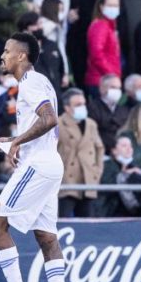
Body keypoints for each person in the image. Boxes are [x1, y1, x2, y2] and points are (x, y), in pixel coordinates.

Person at [0, 32, 70, 282]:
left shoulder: (30, 83)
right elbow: (44, 123)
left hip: (37, 165)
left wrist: (17, 142)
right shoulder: (41, 81)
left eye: (7, 50)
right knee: (46, 236)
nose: (3, 55)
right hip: (49, 162)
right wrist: (15, 139)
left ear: (21, 56)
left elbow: (49, 120)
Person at [57, 88, 104, 218]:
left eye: (83, 104)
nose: (82, 107)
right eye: (78, 105)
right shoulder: (58, 124)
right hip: (66, 181)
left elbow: (99, 148)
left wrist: (97, 170)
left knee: (88, 223)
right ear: (67, 107)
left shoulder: (91, 124)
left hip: (88, 179)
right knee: (63, 221)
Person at [86, 0, 122, 95]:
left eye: (116, 5)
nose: (114, 8)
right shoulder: (100, 26)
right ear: (101, 7)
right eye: (110, 5)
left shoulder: (110, 26)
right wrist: (111, 74)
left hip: (106, 78)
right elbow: (97, 54)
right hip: (101, 80)